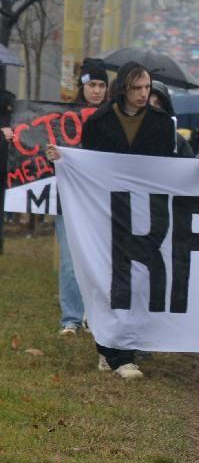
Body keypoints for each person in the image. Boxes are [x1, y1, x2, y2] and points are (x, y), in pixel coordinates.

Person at [57, 62, 199, 378]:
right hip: (106, 211)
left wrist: (197, 164)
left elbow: (168, 166)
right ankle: (109, 350)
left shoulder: (160, 123)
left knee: (139, 280)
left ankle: (125, 351)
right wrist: (65, 160)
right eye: (137, 88)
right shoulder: (99, 122)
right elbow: (89, 165)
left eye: (147, 88)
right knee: (109, 278)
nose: (144, 94)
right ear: (123, 90)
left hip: (145, 213)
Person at [55, 60, 109, 336]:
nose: (96, 91)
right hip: (69, 201)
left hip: (101, 204)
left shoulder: (114, 120)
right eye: (91, 85)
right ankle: (71, 319)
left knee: (101, 260)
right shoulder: (64, 121)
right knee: (69, 260)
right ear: (82, 88)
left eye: (101, 85)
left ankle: (95, 316)